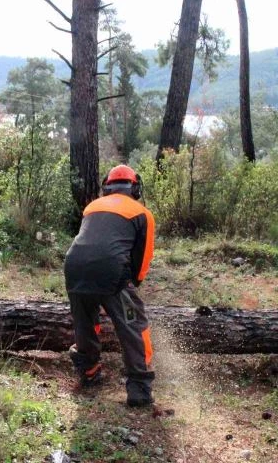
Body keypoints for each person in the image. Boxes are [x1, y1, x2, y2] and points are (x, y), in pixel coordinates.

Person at [64, 164, 156, 407]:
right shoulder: (141, 213)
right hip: (114, 275)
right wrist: (129, 287)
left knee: (85, 324)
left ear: (107, 187)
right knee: (133, 325)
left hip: (74, 268)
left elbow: (92, 241)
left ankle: (89, 372)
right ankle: (139, 388)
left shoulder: (91, 207)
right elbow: (142, 259)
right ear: (134, 187)